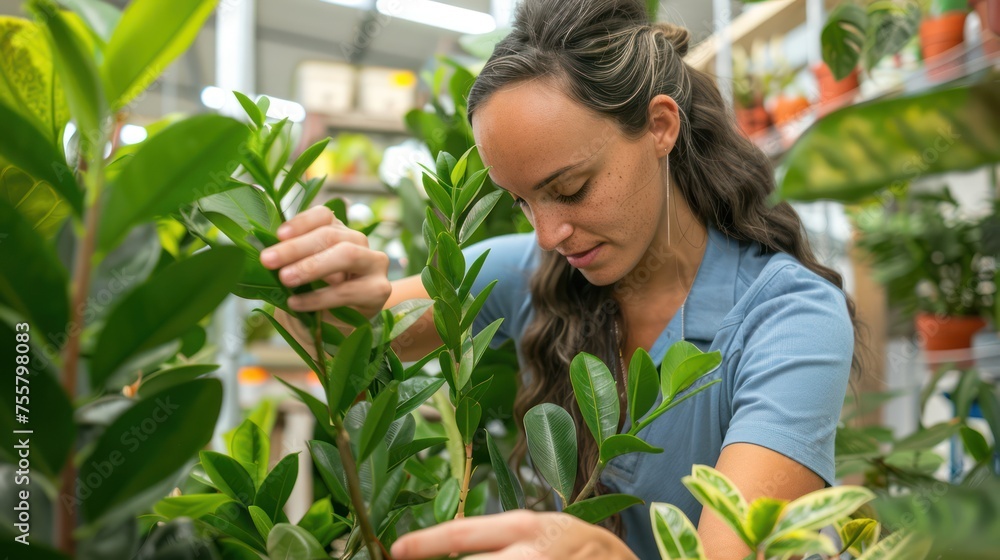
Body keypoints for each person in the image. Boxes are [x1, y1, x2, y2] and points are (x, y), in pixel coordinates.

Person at [260, 0, 860, 557]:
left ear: (659, 126)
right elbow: (346, 345)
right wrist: (328, 294)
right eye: (522, 201)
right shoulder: (527, 271)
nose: (549, 234)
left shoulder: (788, 319)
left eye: (570, 190)